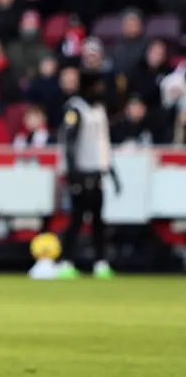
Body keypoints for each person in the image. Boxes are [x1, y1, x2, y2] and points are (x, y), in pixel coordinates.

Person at [57, 71, 121, 280]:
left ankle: (100, 262)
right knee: (76, 219)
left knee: (98, 221)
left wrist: (112, 171)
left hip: (97, 171)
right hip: (81, 172)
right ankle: (66, 261)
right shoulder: (76, 108)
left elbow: (103, 142)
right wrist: (72, 171)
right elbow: (69, 142)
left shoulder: (99, 110)